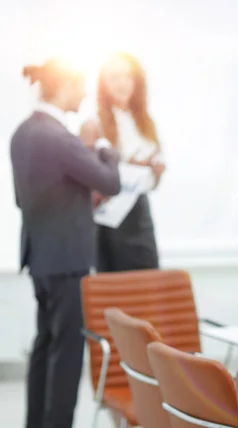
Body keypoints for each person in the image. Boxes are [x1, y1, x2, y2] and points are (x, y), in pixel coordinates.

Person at [11, 57, 121, 428]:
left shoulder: (22, 132)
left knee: (45, 347)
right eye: (80, 87)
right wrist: (101, 144)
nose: (84, 95)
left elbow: (26, 197)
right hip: (67, 260)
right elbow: (110, 182)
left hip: (39, 257)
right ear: (61, 88)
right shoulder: (60, 137)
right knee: (67, 352)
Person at [85, 51, 165, 272]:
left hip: (139, 212)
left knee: (146, 282)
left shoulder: (146, 122)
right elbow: (90, 176)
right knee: (115, 287)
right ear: (103, 84)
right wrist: (129, 167)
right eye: (114, 77)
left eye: (127, 76)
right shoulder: (94, 123)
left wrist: (156, 173)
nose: (122, 83)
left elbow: (152, 182)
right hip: (110, 217)